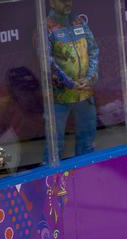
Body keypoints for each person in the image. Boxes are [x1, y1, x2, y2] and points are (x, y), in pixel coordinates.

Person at [47, 0, 100, 156]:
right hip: (60, 98)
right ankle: (52, 180)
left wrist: (89, 78)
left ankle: (87, 177)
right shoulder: (46, 28)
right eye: (62, 1)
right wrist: (69, 83)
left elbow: (94, 50)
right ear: (51, 2)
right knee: (54, 149)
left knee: (88, 144)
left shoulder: (79, 22)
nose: (67, 3)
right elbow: (47, 61)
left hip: (85, 95)